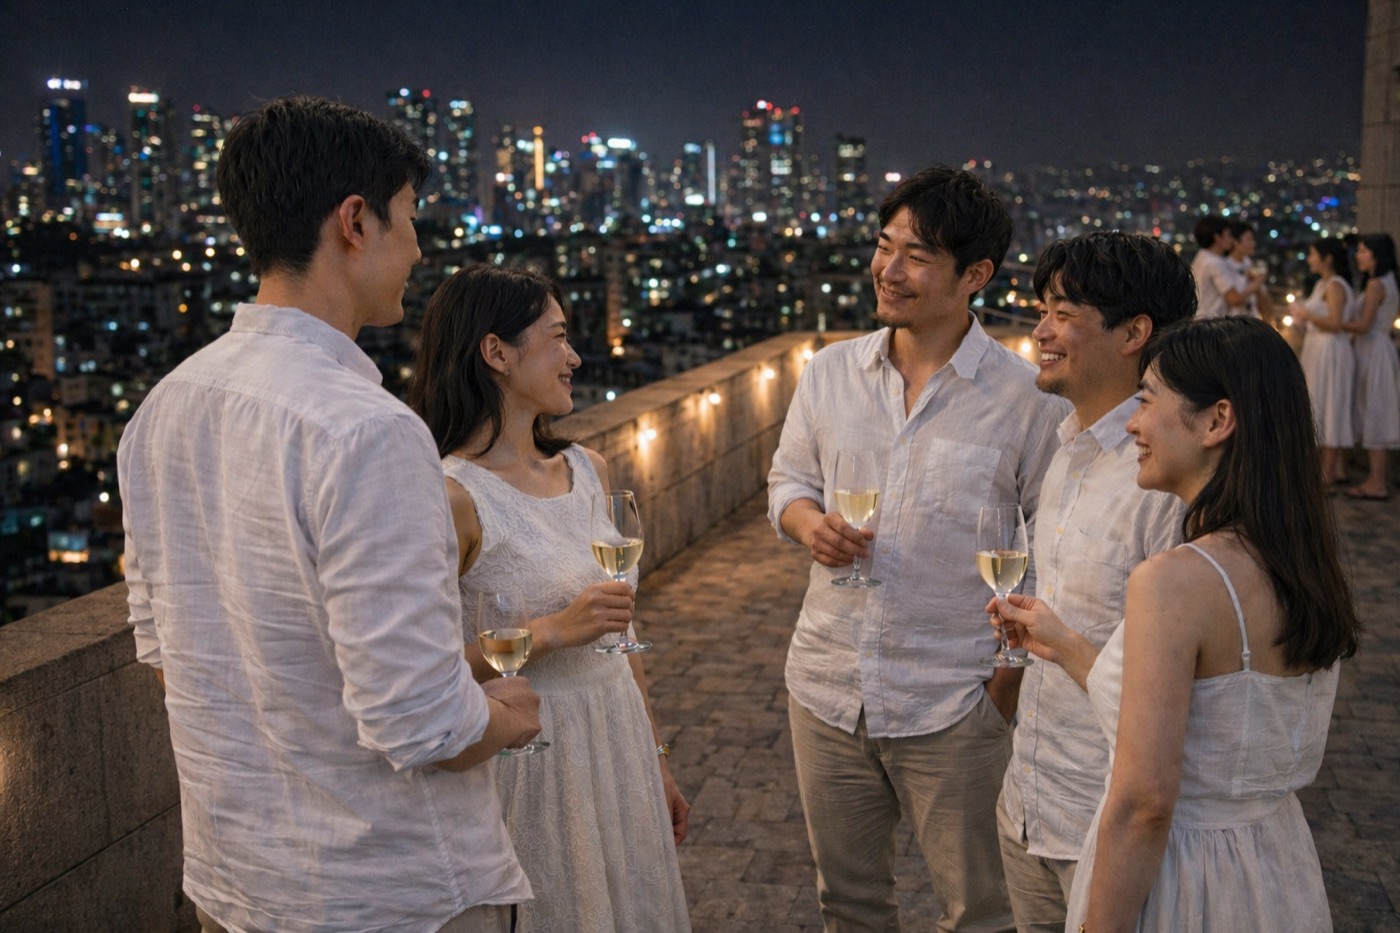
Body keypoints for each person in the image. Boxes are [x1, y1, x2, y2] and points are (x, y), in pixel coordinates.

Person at [117, 97, 539, 933]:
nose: (419, 248)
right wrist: (508, 717)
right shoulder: (368, 429)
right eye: (409, 219)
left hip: (238, 883)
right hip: (388, 890)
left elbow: (165, 650)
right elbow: (419, 719)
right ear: (355, 220)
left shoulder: (161, 410)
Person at [768, 165, 1068, 932]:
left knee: (980, 911)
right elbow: (787, 483)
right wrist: (810, 524)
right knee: (850, 905)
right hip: (828, 685)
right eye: (882, 244)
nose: (888, 270)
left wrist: (1003, 688)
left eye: (917, 255)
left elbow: (1053, 552)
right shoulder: (831, 372)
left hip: (955, 699)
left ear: (976, 275)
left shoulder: (1024, 398)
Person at [995, 316, 1358, 932]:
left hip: (1184, 879)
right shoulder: (1300, 562)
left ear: (1218, 421)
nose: (1132, 423)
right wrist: (1066, 645)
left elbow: (1145, 804)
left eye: (1147, 400)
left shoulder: (1176, 579)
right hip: (1273, 868)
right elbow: (1212, 716)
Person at [406, 263, 691, 933]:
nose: (574, 356)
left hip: (614, 733)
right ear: (495, 352)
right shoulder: (453, 496)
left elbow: (622, 635)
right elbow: (428, 669)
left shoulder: (590, 469)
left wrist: (657, 760)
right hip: (530, 757)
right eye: (558, 337)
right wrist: (554, 631)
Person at [992, 232, 1191, 933]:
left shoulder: (1166, 479)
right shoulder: (1065, 447)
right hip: (1029, 808)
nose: (1040, 331)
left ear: (1135, 331)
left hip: (1107, 830)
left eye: (1064, 312)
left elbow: (1185, 686)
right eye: (1041, 309)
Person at [1340, 233, 1400, 500]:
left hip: (1373, 350)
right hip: (1380, 347)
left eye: (1363, 251)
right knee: (1376, 408)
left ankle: (1377, 482)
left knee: (1374, 409)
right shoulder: (1387, 281)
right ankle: (1376, 479)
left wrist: (1329, 322)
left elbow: (1364, 325)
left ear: (1376, 254)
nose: (1358, 255)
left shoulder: (1376, 284)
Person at [1298, 238, 1358, 485]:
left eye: (1312, 254)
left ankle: (1328, 472)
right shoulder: (1321, 284)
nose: (1309, 259)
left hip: (1331, 351)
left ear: (1327, 257)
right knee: (1319, 403)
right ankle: (1324, 468)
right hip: (1318, 349)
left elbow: (1335, 323)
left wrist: (1306, 314)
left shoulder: (1335, 286)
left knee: (1331, 404)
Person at [1190, 215, 1262, 319]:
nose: (1232, 240)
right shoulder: (1215, 263)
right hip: (1211, 324)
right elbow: (1235, 299)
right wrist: (1257, 282)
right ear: (1217, 237)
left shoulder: (1201, 256)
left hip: (1199, 321)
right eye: (1228, 235)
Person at [1224, 219, 1274, 322]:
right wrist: (1257, 282)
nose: (1253, 244)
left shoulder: (1249, 264)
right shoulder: (1225, 266)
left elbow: (1263, 298)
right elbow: (1234, 300)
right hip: (1233, 324)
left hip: (1252, 322)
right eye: (1249, 239)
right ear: (1236, 242)